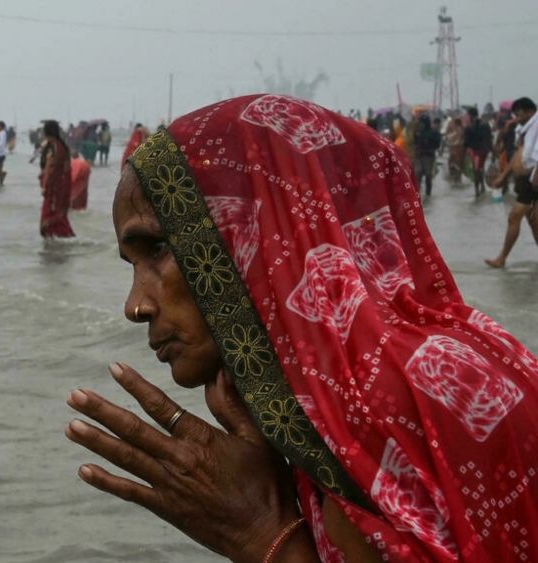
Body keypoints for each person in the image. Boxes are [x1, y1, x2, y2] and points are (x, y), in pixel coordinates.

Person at [66, 94, 538, 562]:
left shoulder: (394, 412)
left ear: (254, 233)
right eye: (132, 264)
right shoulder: (361, 394)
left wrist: (265, 540)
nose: (135, 306)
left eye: (157, 249)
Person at [486, 97, 538, 268]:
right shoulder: (524, 129)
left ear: (530, 111)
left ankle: (501, 258)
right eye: (515, 114)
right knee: (533, 220)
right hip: (525, 180)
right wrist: (504, 176)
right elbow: (519, 154)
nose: (517, 117)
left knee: (514, 216)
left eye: (520, 114)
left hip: (534, 180)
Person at [38, 120, 74, 237]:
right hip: (61, 187)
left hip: (54, 189)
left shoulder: (54, 147)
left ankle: (57, 248)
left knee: (47, 222)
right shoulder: (61, 146)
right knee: (59, 218)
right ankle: (61, 249)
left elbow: (51, 168)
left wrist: (45, 185)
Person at [464, 106, 493, 197]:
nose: (466, 117)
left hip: (476, 151)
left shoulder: (470, 127)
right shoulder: (486, 124)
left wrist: (468, 149)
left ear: (471, 115)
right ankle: (482, 187)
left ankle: (477, 191)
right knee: (480, 168)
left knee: (476, 169)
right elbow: (489, 138)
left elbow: (467, 142)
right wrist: (490, 150)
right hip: (484, 150)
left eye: (467, 115)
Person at [412, 114, 441, 197]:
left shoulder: (434, 133)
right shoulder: (417, 132)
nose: (420, 124)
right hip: (419, 156)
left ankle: (428, 194)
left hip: (429, 156)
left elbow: (437, 144)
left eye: (421, 123)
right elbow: (415, 142)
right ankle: (417, 195)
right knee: (418, 173)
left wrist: (428, 144)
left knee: (428, 175)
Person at [445, 114, 466, 183]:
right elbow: (448, 137)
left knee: (457, 163)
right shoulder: (455, 129)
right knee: (455, 163)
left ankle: (457, 178)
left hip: (458, 148)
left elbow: (463, 139)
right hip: (455, 148)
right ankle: (456, 177)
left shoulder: (462, 129)